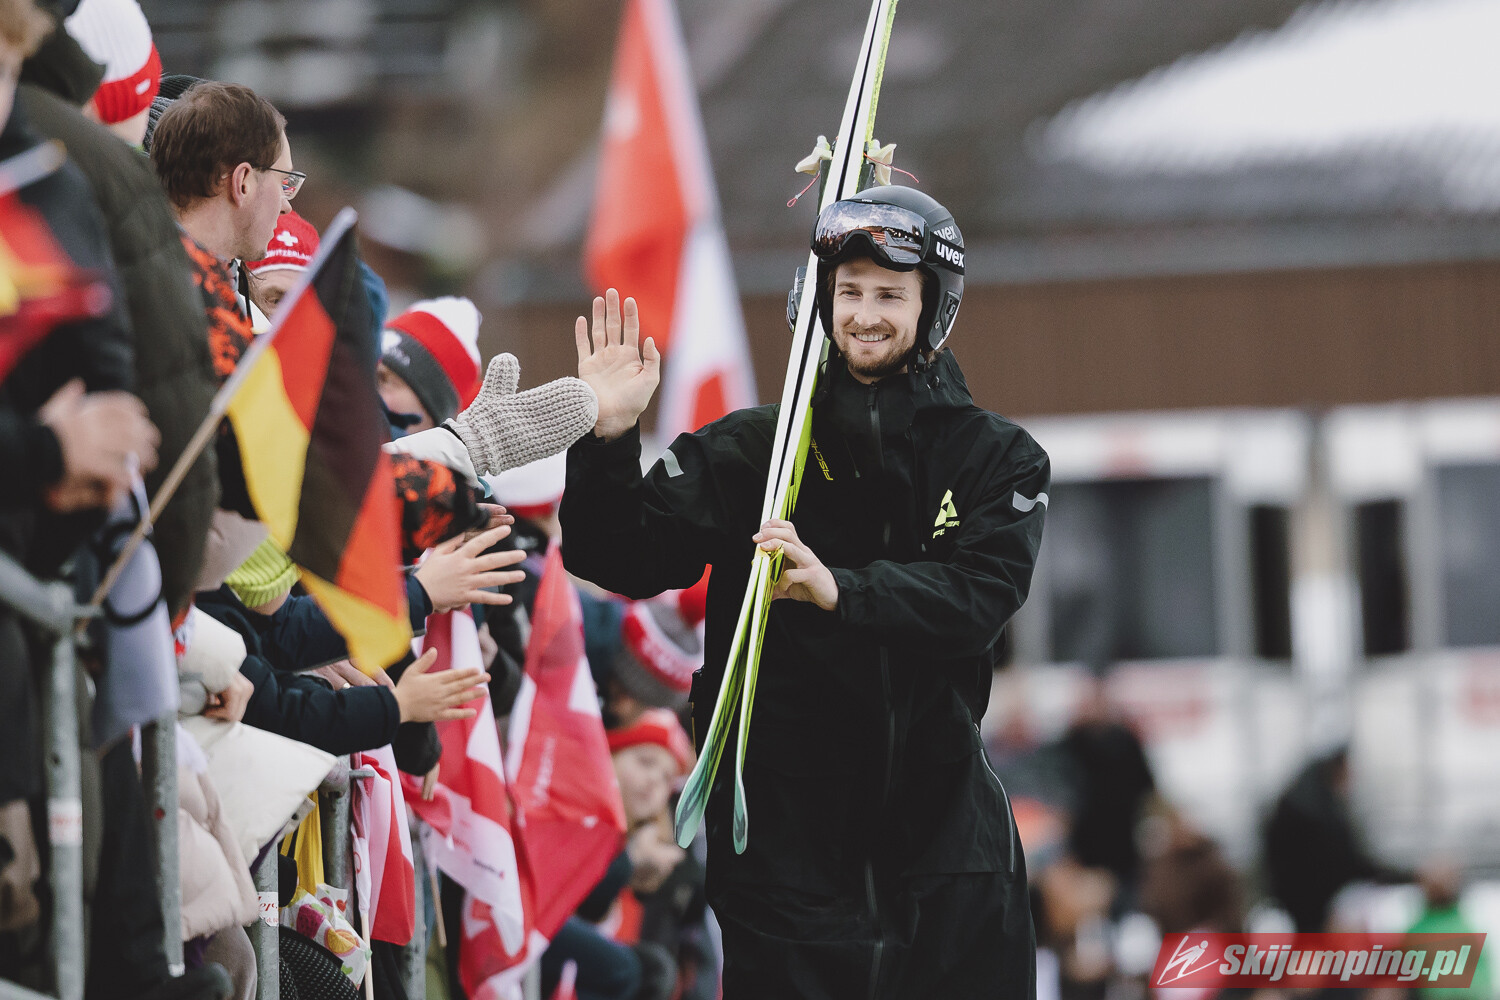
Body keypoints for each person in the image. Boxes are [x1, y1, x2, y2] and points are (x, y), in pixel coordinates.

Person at [562, 185, 1048, 998]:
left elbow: (977, 600)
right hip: (785, 859)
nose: (864, 314)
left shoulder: (996, 458)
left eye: (889, 294)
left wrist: (842, 590)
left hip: (947, 857)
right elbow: (620, 555)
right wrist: (608, 438)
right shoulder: (755, 450)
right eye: (848, 292)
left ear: (934, 306)